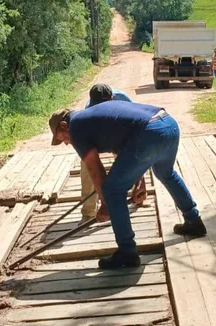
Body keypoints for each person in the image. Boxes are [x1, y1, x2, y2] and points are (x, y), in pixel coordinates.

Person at [49, 102, 207, 269]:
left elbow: (96, 171)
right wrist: (137, 181)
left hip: (149, 133)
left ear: (64, 126)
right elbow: (127, 153)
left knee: (112, 189)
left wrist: (106, 205)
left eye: (62, 138)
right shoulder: (91, 117)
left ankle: (127, 252)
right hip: (168, 125)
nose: (66, 143)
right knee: (165, 173)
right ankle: (193, 220)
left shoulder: (76, 128)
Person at [80, 84, 145, 219]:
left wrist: (140, 178)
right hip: (100, 136)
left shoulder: (123, 99)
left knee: (130, 160)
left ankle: (138, 194)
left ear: (111, 98)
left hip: (121, 135)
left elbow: (136, 131)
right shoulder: (89, 107)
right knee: (86, 164)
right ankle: (88, 211)